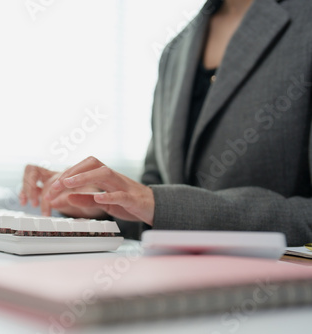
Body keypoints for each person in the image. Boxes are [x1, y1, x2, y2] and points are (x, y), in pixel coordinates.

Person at [19, 0, 312, 246]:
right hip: (176, 289)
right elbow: (156, 200)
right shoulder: (176, 50)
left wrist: (154, 202)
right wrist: (101, 206)